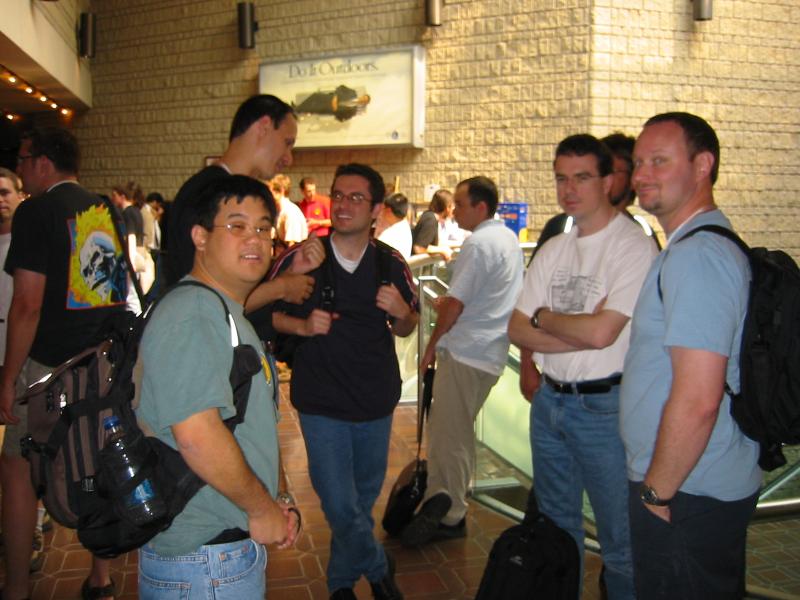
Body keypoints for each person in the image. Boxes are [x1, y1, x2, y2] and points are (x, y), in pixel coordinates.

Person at [507, 134, 657, 599]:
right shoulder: (555, 247)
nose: (569, 189)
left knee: (620, 542)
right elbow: (515, 329)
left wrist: (545, 317)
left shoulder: (633, 246)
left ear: (609, 181)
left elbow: (600, 335)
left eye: (582, 177)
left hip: (604, 410)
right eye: (561, 178)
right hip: (549, 402)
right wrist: (578, 329)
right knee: (556, 535)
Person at [135, 174, 300, 596]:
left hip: (218, 552)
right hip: (203, 561)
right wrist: (261, 509)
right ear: (200, 236)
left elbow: (248, 424)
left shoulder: (224, 310)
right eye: (237, 225)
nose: (255, 239)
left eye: (263, 228)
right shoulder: (193, 312)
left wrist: (277, 499)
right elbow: (197, 434)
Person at [620, 112, 761, 599]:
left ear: (703, 166)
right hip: (690, 484)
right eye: (638, 162)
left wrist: (656, 492)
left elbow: (699, 398)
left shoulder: (697, 257)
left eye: (659, 161)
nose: (641, 175)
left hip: (687, 490)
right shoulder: (693, 247)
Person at [270, 163, 418, 600]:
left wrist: (403, 313)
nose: (343, 204)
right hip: (321, 400)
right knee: (337, 499)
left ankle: (339, 585)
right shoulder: (304, 257)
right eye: (338, 195)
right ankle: (378, 568)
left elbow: (408, 325)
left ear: (375, 210)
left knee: (359, 503)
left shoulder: (390, 263)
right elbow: (259, 312)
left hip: (375, 400)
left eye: (356, 197)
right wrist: (302, 326)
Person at [0, 127, 123, 600]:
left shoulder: (36, 211)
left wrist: (8, 377)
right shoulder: (102, 208)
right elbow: (111, 290)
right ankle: (100, 577)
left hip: (47, 368)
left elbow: (27, 305)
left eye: (23, 159)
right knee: (96, 462)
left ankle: (15, 586)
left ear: (43, 163)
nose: (21, 168)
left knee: (17, 470)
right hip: (101, 364)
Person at [402, 176, 523, 546]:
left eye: (461, 204)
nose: (454, 211)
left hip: (467, 351)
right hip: (488, 352)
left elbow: (455, 304)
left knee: (449, 436)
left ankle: (450, 512)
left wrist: (431, 346)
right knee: (457, 432)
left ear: (481, 207)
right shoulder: (508, 239)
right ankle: (450, 502)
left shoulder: (478, 244)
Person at [166, 94, 321, 311]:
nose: (289, 158)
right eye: (287, 143)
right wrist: (281, 288)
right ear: (264, 127)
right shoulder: (206, 192)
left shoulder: (230, 190)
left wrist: (288, 274)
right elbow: (207, 298)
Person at [412, 189, 453, 259]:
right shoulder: (431, 220)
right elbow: (419, 248)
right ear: (447, 208)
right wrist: (442, 251)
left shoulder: (430, 216)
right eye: (452, 206)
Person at [270, 174, 308, 250]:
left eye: (271, 191)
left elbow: (292, 245)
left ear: (281, 191)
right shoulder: (280, 211)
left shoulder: (290, 212)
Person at [376, 192, 413, 259]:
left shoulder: (388, 235)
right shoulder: (404, 226)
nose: (381, 213)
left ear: (388, 211)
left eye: (383, 209)